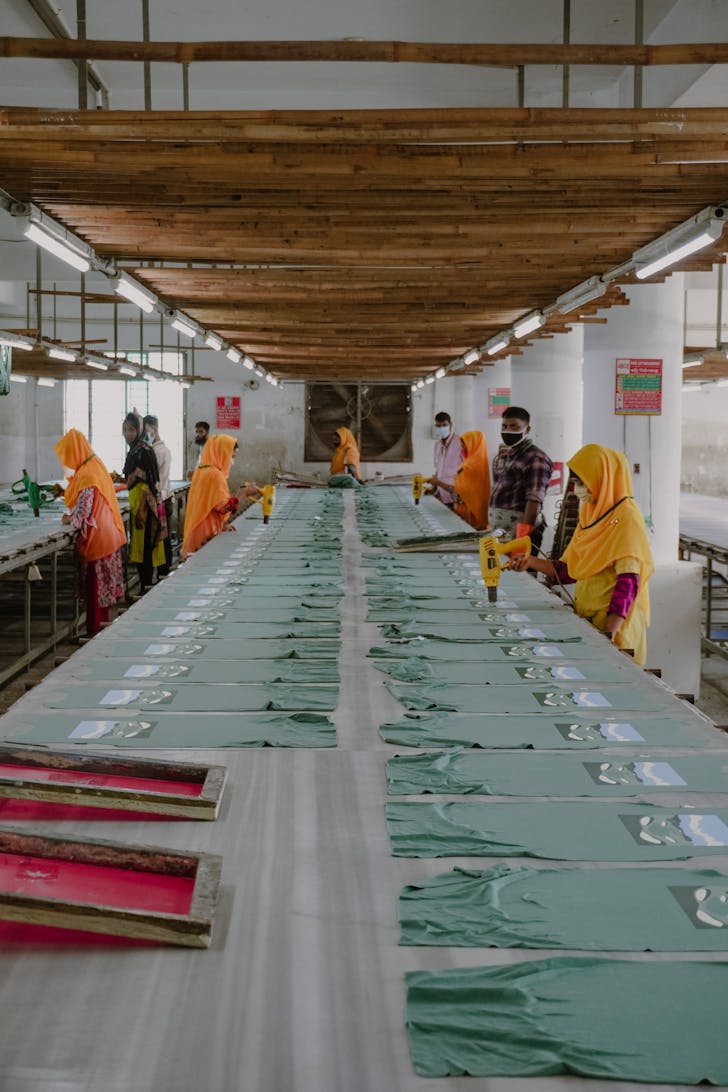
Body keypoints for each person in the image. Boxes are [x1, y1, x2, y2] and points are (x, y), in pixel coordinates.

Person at [510, 443, 654, 664]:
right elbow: (570, 569)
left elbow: (629, 581)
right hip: (592, 623)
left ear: (602, 478)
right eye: (575, 482)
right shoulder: (591, 514)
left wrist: (609, 631)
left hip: (616, 629)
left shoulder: (626, 517)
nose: (577, 489)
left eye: (581, 482)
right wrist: (529, 562)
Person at [55, 428, 126, 636]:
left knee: (94, 587)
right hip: (108, 531)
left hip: (98, 536)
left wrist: (70, 519)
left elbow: (84, 512)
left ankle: (94, 630)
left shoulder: (86, 474)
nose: (67, 462)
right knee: (102, 587)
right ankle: (101, 625)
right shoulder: (95, 465)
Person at [182, 434, 260, 557]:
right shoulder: (215, 475)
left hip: (196, 532)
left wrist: (221, 524)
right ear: (222, 453)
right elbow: (225, 508)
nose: (232, 461)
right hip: (203, 537)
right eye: (232, 456)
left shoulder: (202, 471)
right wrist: (244, 493)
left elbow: (208, 506)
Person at [489, 405, 553, 549]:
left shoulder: (536, 458)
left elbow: (534, 501)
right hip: (500, 531)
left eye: (514, 427)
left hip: (519, 533)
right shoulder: (508, 455)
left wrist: (521, 539)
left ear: (527, 430)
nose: (507, 431)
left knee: (518, 571)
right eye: (504, 426)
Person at [122, 411, 166, 593]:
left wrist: (141, 509)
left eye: (132, 429)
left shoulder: (145, 451)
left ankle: (146, 586)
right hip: (136, 502)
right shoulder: (134, 450)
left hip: (144, 505)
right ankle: (144, 584)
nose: (128, 433)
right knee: (140, 547)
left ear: (139, 430)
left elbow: (150, 483)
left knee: (146, 546)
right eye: (125, 430)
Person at [143, 414, 173, 577]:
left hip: (159, 499)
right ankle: (163, 572)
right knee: (162, 538)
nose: (145, 436)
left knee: (160, 538)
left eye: (146, 431)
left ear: (153, 430)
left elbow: (153, 480)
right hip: (162, 497)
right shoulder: (160, 450)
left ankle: (162, 572)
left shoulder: (157, 452)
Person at [444, 430, 490, 530]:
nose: (462, 449)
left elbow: (462, 492)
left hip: (471, 513)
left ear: (473, 446)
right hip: (463, 511)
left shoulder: (472, 466)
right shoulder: (474, 463)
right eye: (461, 445)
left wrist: (438, 483)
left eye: (464, 445)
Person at [426, 411, 461, 507]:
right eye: (438, 426)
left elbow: (465, 471)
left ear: (451, 424)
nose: (441, 428)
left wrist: (438, 483)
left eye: (444, 425)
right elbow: (438, 470)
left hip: (456, 496)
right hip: (441, 495)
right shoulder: (437, 445)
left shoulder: (460, 443)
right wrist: (433, 488)